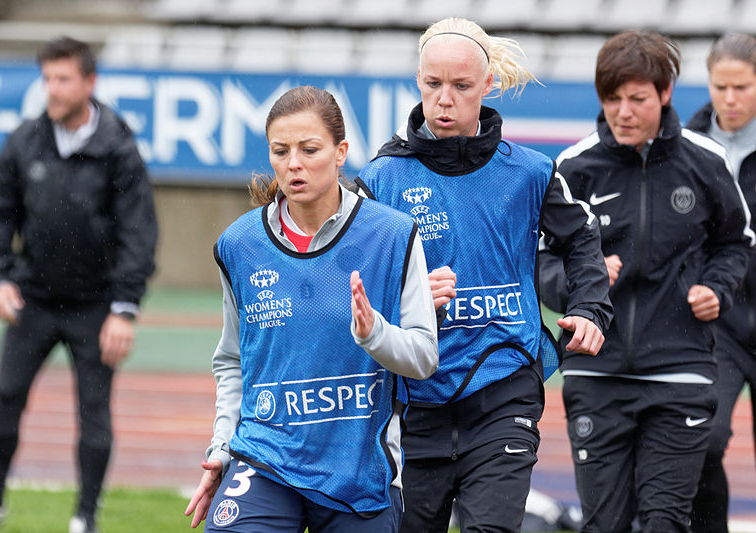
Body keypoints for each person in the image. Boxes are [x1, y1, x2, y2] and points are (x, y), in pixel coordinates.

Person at [355, 17, 612, 533]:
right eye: (433, 84)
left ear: (488, 85)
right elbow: (351, 281)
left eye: (461, 86)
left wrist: (589, 308)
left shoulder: (532, 172)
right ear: (418, 81)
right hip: (417, 401)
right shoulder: (382, 178)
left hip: (506, 387)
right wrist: (409, 298)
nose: (444, 99)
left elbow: (581, 237)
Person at [183, 85, 439, 533]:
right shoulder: (239, 245)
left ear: (341, 152)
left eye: (309, 149)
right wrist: (222, 447)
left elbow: (423, 357)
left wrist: (374, 332)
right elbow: (232, 363)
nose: (293, 164)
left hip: (358, 469)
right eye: (280, 151)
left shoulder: (394, 236)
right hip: (266, 458)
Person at [538, 30, 754, 533]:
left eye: (637, 99)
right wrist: (579, 284)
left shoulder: (705, 161)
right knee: (604, 524)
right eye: (612, 99)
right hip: (596, 376)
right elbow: (543, 262)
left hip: (679, 373)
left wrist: (716, 289)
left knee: (664, 522)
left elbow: (735, 242)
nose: (624, 112)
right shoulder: (573, 168)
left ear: (664, 94)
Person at [0, 36, 158, 533]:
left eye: (64, 78)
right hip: (35, 299)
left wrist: (125, 308)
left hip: (96, 305)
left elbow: (139, 232)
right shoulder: (24, 140)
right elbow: (0, 214)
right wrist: (1, 278)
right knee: (5, 398)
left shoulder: (119, 147)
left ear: (90, 82)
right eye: (47, 78)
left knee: (93, 411)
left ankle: (84, 517)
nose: (53, 88)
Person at [686, 33, 756, 533]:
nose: (729, 99)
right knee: (704, 439)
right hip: (720, 324)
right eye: (720, 86)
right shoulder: (688, 144)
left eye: (743, 87)